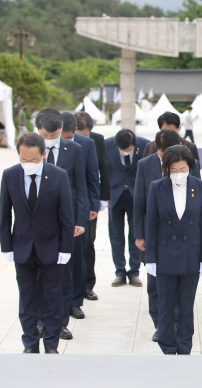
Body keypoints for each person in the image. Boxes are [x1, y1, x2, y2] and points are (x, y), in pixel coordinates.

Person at [0, 133, 74, 353]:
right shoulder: (10, 175)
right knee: (27, 299)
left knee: (53, 299)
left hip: (51, 246)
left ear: (43, 154)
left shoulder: (59, 176)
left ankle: (51, 344)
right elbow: (5, 214)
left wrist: (65, 248)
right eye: (24, 160)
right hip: (22, 246)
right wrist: (7, 246)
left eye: (33, 160)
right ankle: (30, 344)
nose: (28, 165)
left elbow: (67, 216)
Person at [145, 145, 202, 354]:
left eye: (182, 169)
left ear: (190, 167)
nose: (178, 174)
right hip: (165, 253)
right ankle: (166, 345)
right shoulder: (157, 187)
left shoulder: (200, 186)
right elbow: (151, 224)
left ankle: (184, 346)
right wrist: (150, 259)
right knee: (165, 306)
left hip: (190, 254)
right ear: (166, 169)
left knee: (186, 306)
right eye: (173, 170)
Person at [35, 108, 86, 341]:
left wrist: (80, 220)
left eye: (53, 135)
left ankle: (61, 323)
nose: (48, 140)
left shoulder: (74, 149)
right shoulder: (31, 148)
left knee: (65, 274)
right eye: (44, 135)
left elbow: (80, 187)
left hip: (67, 221)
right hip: (41, 223)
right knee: (39, 275)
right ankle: (40, 321)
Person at [134, 129, 181, 342]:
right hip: (153, 232)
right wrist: (139, 235)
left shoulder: (188, 164)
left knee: (179, 282)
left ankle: (178, 323)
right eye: (162, 153)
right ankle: (160, 325)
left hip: (180, 235)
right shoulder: (145, 165)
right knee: (154, 284)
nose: (164, 158)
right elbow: (139, 202)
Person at [60, 112, 100, 320]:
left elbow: (92, 176)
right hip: (54, 208)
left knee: (80, 254)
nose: (64, 140)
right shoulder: (46, 142)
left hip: (79, 206)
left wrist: (93, 205)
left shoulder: (86, 144)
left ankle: (76, 301)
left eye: (68, 137)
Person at [106, 129, 150, 287]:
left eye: (129, 150)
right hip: (115, 195)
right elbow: (104, 171)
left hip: (135, 195)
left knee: (136, 234)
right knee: (116, 235)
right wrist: (105, 196)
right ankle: (119, 271)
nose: (126, 153)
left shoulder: (145, 145)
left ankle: (134, 272)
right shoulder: (107, 144)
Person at [74, 111, 110, 301]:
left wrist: (100, 201)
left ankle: (88, 284)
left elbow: (103, 168)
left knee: (88, 244)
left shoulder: (96, 141)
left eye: (85, 134)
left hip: (88, 201)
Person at [144, 112, 201, 179]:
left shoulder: (190, 147)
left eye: (172, 132)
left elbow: (195, 176)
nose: (169, 135)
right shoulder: (150, 147)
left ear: (179, 129)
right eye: (165, 131)